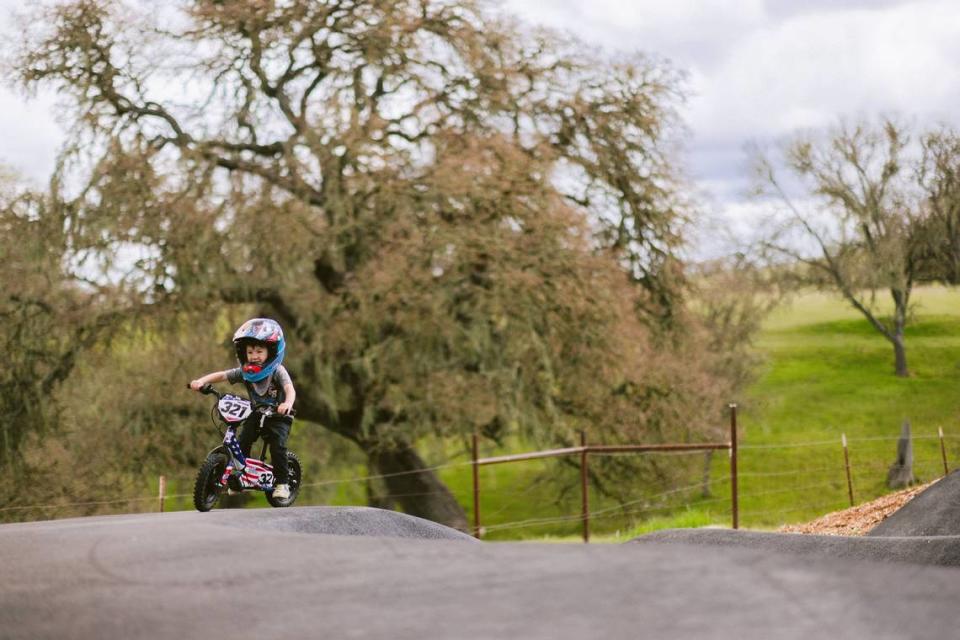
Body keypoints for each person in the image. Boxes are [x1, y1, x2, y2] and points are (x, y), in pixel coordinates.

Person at [190, 318, 297, 500]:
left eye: (259, 351)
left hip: (279, 416)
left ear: (271, 352)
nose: (254, 355)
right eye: (250, 351)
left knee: (277, 448)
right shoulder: (246, 371)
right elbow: (223, 375)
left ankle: (283, 483)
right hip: (257, 413)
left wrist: (287, 404)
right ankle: (239, 477)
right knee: (243, 441)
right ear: (243, 353)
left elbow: (290, 389)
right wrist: (201, 381)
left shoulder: (277, 370)